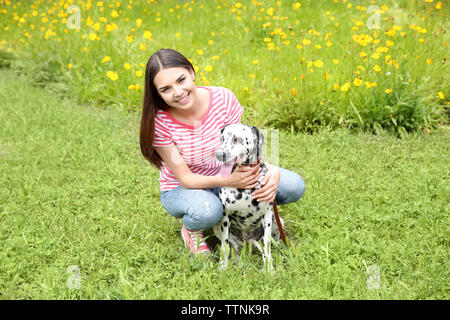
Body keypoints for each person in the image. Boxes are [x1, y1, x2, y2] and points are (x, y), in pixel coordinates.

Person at [140, 48, 305, 254]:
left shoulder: (222, 98)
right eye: (166, 89)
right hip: (184, 188)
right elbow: (186, 179)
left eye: (181, 80)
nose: (178, 92)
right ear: (157, 93)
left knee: (293, 186)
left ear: (191, 72)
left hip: (227, 175)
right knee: (208, 211)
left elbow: (243, 147)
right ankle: (192, 228)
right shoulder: (160, 122)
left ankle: (242, 214)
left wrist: (271, 170)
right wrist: (227, 182)